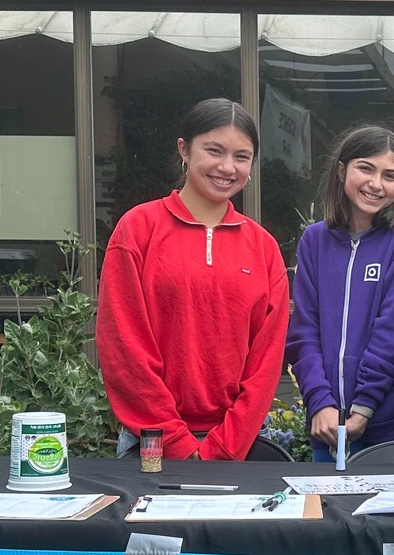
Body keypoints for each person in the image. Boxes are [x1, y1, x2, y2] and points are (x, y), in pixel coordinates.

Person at [96, 98, 289, 461]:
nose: (227, 167)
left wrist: (222, 448)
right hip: (152, 443)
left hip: (240, 446)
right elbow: (123, 346)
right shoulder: (138, 230)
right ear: (184, 149)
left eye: (241, 156)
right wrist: (178, 445)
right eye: (213, 151)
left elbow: (266, 362)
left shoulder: (263, 247)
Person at [286, 125, 394, 461]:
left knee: (390, 515)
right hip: (326, 424)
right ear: (342, 170)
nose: (376, 184)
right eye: (365, 168)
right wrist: (319, 402)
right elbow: (304, 331)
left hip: (391, 425)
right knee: (328, 513)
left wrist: (364, 407)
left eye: (390, 175)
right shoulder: (315, 240)